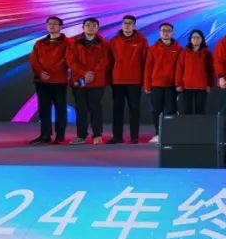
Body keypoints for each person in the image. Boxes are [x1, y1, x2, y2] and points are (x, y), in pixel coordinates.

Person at [65, 17, 111, 145]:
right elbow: (71, 61)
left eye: (94, 25)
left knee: (96, 108)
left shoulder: (104, 44)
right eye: (88, 25)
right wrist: (85, 73)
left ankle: (97, 135)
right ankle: (81, 136)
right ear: (83, 28)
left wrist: (92, 73)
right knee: (81, 108)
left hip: (96, 81)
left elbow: (104, 61)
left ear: (98, 28)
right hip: (79, 80)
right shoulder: (74, 43)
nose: (91, 27)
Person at [28, 15, 69, 144]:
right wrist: (40, 72)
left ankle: (60, 135)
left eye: (55, 23)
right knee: (43, 109)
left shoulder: (68, 43)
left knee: (60, 110)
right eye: (49, 23)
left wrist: (51, 72)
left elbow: (67, 60)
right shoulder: (39, 43)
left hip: (59, 81)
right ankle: (45, 135)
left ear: (61, 27)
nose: (52, 26)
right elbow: (33, 59)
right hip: (42, 81)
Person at [108, 14, 148, 144]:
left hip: (134, 81)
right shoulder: (114, 41)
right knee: (117, 110)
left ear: (134, 26)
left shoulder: (142, 41)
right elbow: (109, 61)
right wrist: (109, 79)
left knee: (134, 109)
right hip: (117, 80)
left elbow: (144, 61)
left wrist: (144, 80)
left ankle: (134, 136)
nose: (127, 25)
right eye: (125, 23)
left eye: (130, 23)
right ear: (122, 25)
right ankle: (117, 137)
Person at [144, 22, 182, 143]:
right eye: (163, 30)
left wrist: (178, 84)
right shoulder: (152, 49)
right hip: (156, 85)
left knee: (171, 110)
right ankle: (158, 133)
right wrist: (147, 85)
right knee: (156, 110)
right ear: (160, 33)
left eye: (168, 30)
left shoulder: (178, 49)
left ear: (172, 32)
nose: (166, 33)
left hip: (171, 86)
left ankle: (170, 133)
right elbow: (148, 68)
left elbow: (180, 68)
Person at [176, 29, 214, 115]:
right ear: (190, 39)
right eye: (193, 37)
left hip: (202, 86)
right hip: (187, 86)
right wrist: (178, 84)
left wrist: (209, 84)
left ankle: (200, 124)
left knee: (200, 111)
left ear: (202, 39)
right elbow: (179, 69)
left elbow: (211, 70)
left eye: (198, 37)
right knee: (187, 110)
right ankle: (187, 124)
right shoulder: (184, 52)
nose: (195, 39)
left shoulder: (207, 53)